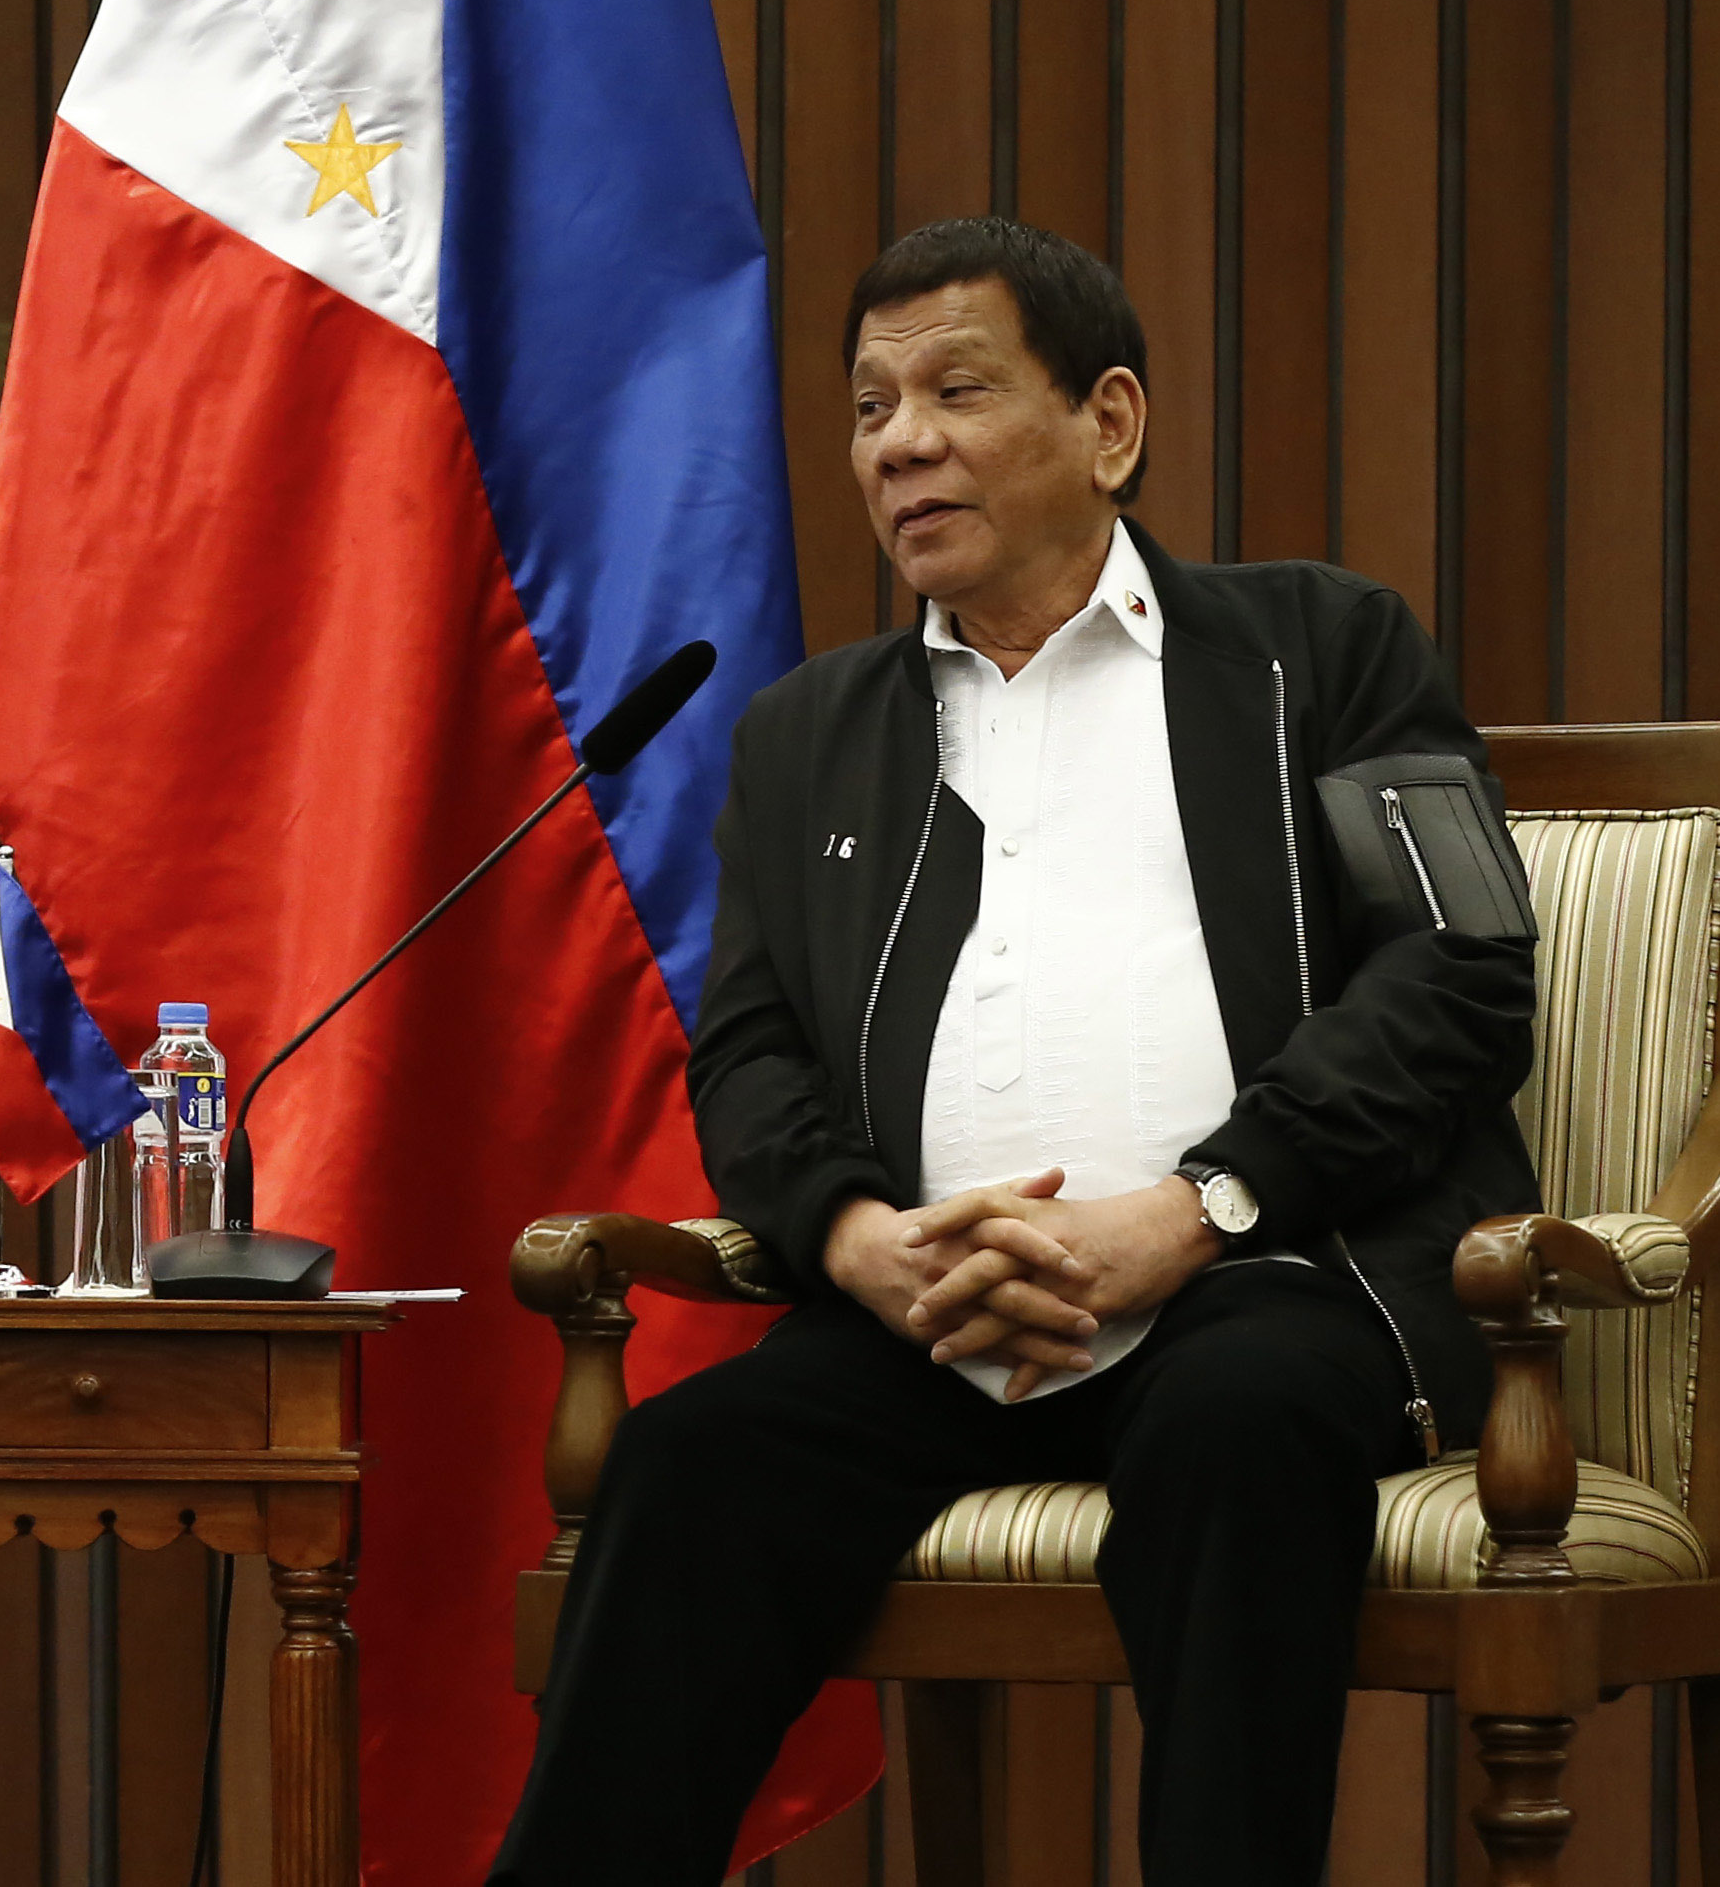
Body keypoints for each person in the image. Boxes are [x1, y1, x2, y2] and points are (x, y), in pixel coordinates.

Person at [493, 217, 1538, 1885]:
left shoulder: (1323, 649)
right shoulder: (805, 734)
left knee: (1241, 1423)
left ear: (1107, 423)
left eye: (955, 389)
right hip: (931, 1319)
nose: (897, 440)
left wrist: (1194, 1209)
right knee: (692, 1465)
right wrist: (857, 1240)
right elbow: (748, 1054)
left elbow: (1463, 963)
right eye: (865, 407)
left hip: (1265, 1283)